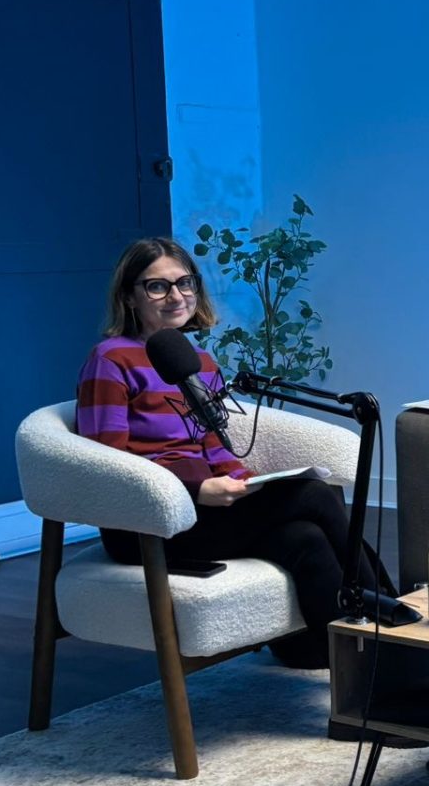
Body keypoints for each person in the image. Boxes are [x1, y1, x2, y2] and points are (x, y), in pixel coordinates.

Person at [76, 237, 368, 674]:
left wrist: (243, 481)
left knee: (304, 538)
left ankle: (324, 658)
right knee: (317, 495)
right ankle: (394, 627)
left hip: (207, 514)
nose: (176, 296)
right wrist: (196, 489)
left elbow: (214, 446)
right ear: (130, 296)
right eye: (157, 286)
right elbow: (107, 463)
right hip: (146, 523)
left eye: (185, 283)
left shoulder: (198, 363)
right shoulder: (111, 359)